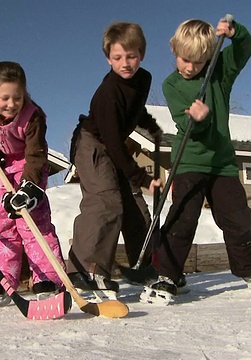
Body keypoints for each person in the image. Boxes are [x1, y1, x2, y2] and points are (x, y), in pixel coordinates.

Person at [140, 17, 251, 305]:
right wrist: (198, 119)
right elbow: (186, 124)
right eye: (184, 59)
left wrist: (236, 32)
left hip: (222, 163)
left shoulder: (220, 73)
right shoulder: (172, 85)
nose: (190, 67)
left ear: (208, 58)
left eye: (199, 62)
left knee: (238, 217)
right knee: (183, 217)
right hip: (189, 160)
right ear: (173, 49)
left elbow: (246, 48)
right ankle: (168, 275)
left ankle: (250, 268)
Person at [67, 22, 163, 299]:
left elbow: (135, 107)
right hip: (93, 144)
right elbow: (112, 143)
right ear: (108, 58)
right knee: (106, 200)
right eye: (117, 57)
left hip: (114, 143)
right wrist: (141, 178)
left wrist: (151, 126)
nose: (125, 63)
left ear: (141, 54)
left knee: (134, 205)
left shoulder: (144, 79)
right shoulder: (107, 94)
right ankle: (86, 269)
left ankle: (144, 265)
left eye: (131, 56)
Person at [0, 61, 66, 306]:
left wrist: (29, 188)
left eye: (17, 97)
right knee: (1, 221)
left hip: (29, 166)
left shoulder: (33, 115)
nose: (11, 104)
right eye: (5, 98)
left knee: (32, 221)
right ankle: (2, 278)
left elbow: (36, 155)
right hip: (0, 165)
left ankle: (47, 278)